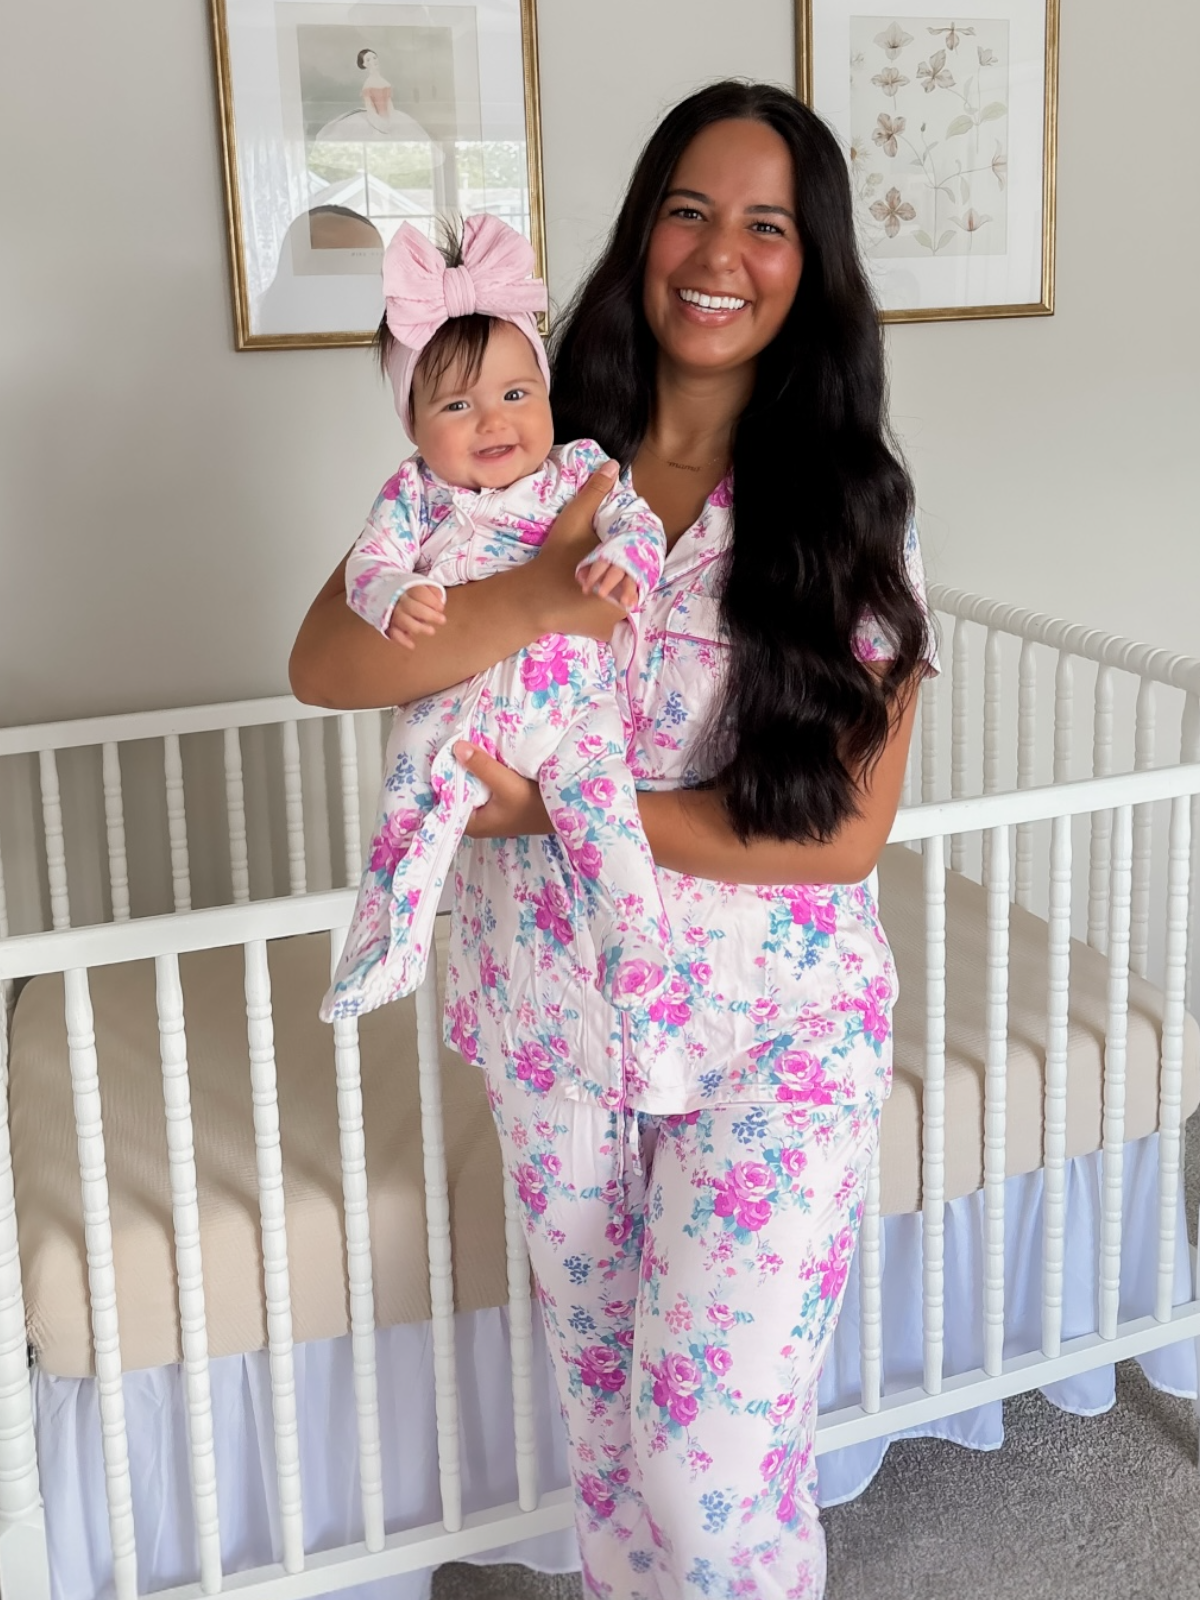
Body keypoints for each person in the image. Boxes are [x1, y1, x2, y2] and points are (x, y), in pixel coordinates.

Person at [291, 79, 936, 1600]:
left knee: (706, 1480)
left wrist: (562, 815)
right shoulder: (520, 448)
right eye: (688, 211)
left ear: (812, 266)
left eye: (767, 225)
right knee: (612, 1458)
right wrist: (533, 586)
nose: (719, 254)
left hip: (776, 1034)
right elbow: (326, 661)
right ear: (644, 234)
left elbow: (843, 836)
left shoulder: (851, 511)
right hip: (558, 1025)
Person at [322, 213, 671, 1020]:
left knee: (604, 805)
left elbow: (639, 523)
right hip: (455, 706)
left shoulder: (578, 471)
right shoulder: (414, 495)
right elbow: (368, 564)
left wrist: (627, 558)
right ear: (414, 425)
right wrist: (391, 593)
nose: (493, 420)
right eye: (457, 404)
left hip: (570, 704)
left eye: (517, 394)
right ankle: (387, 947)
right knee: (406, 803)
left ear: (546, 395)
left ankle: (634, 940)